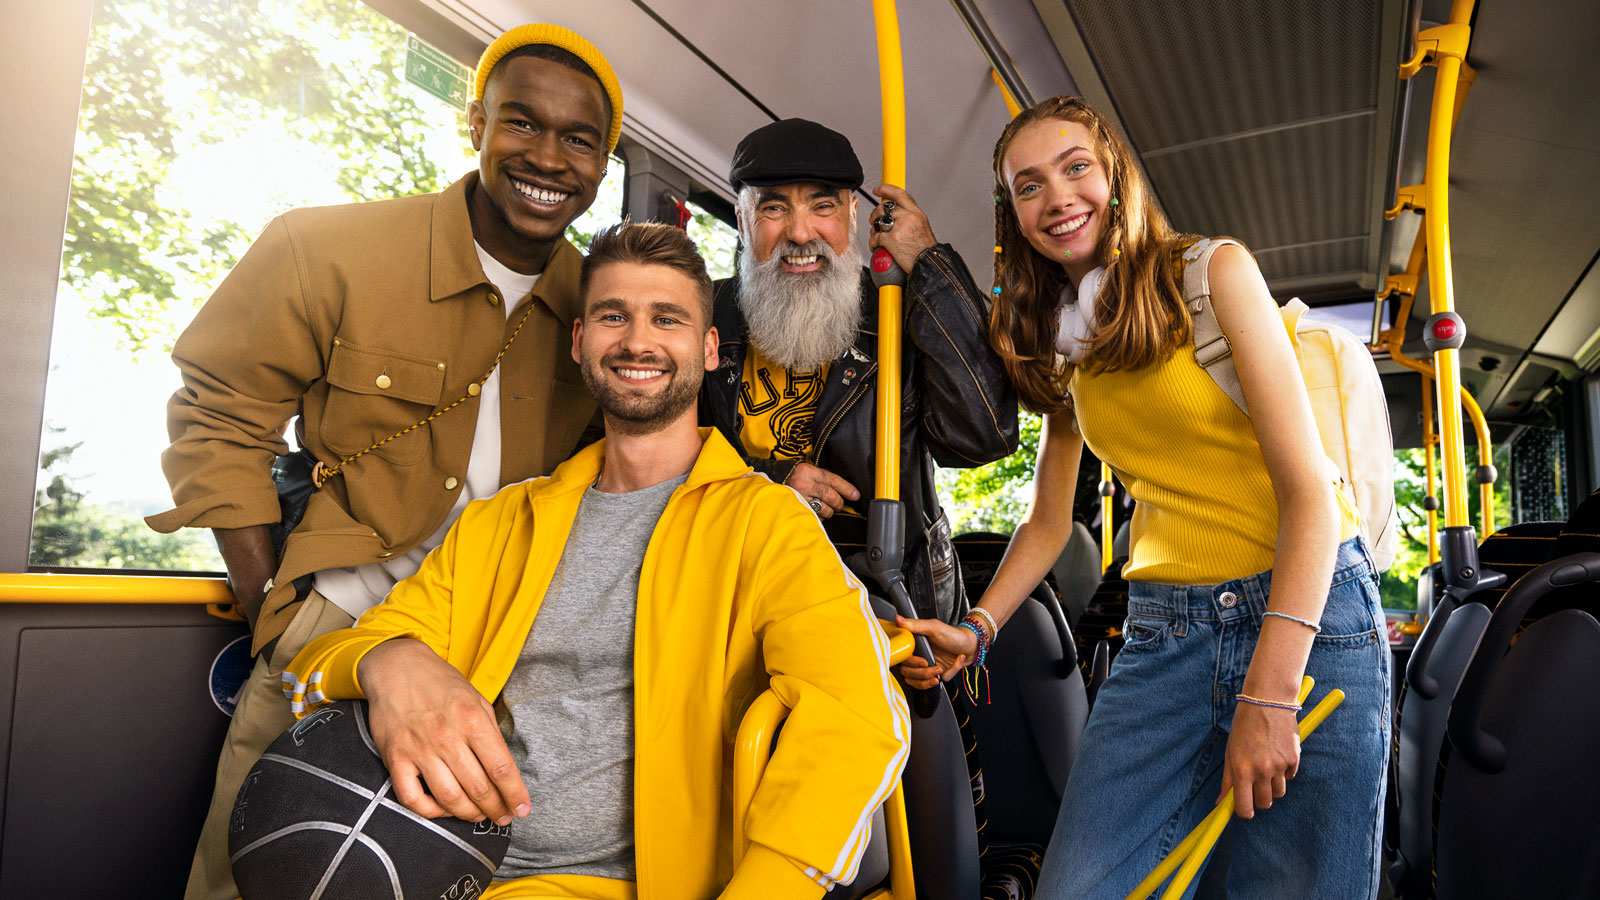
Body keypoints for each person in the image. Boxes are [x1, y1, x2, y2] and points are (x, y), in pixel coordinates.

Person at [281, 222, 910, 900]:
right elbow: (313, 672)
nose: (639, 341)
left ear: (706, 351)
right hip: (449, 870)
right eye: (615, 316)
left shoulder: (766, 522)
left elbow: (857, 714)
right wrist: (383, 661)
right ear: (582, 342)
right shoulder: (502, 522)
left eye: (666, 319)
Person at [144, 24, 625, 900]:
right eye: (522, 123)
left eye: (579, 140)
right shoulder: (326, 250)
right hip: (333, 635)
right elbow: (219, 418)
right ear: (472, 123)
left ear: (603, 165)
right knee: (252, 881)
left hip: (502, 665)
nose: (548, 157)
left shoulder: (605, 315)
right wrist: (278, 620)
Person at [897, 96, 1390, 899]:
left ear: (1117, 179)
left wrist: (1269, 693)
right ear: (1013, 215)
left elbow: (1310, 497)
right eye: (1028, 185)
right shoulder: (1063, 337)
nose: (1057, 197)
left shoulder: (1211, 273)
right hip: (1165, 635)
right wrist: (978, 627)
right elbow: (1049, 519)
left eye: (1076, 167)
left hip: (1308, 619)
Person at [701, 118, 1018, 627]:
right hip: (735, 592)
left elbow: (982, 439)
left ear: (852, 214)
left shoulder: (899, 313)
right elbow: (658, 458)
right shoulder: (705, 315)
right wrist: (765, 482)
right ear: (742, 221)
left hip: (890, 603)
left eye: (822, 205)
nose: (800, 233)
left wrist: (932, 265)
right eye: (773, 207)